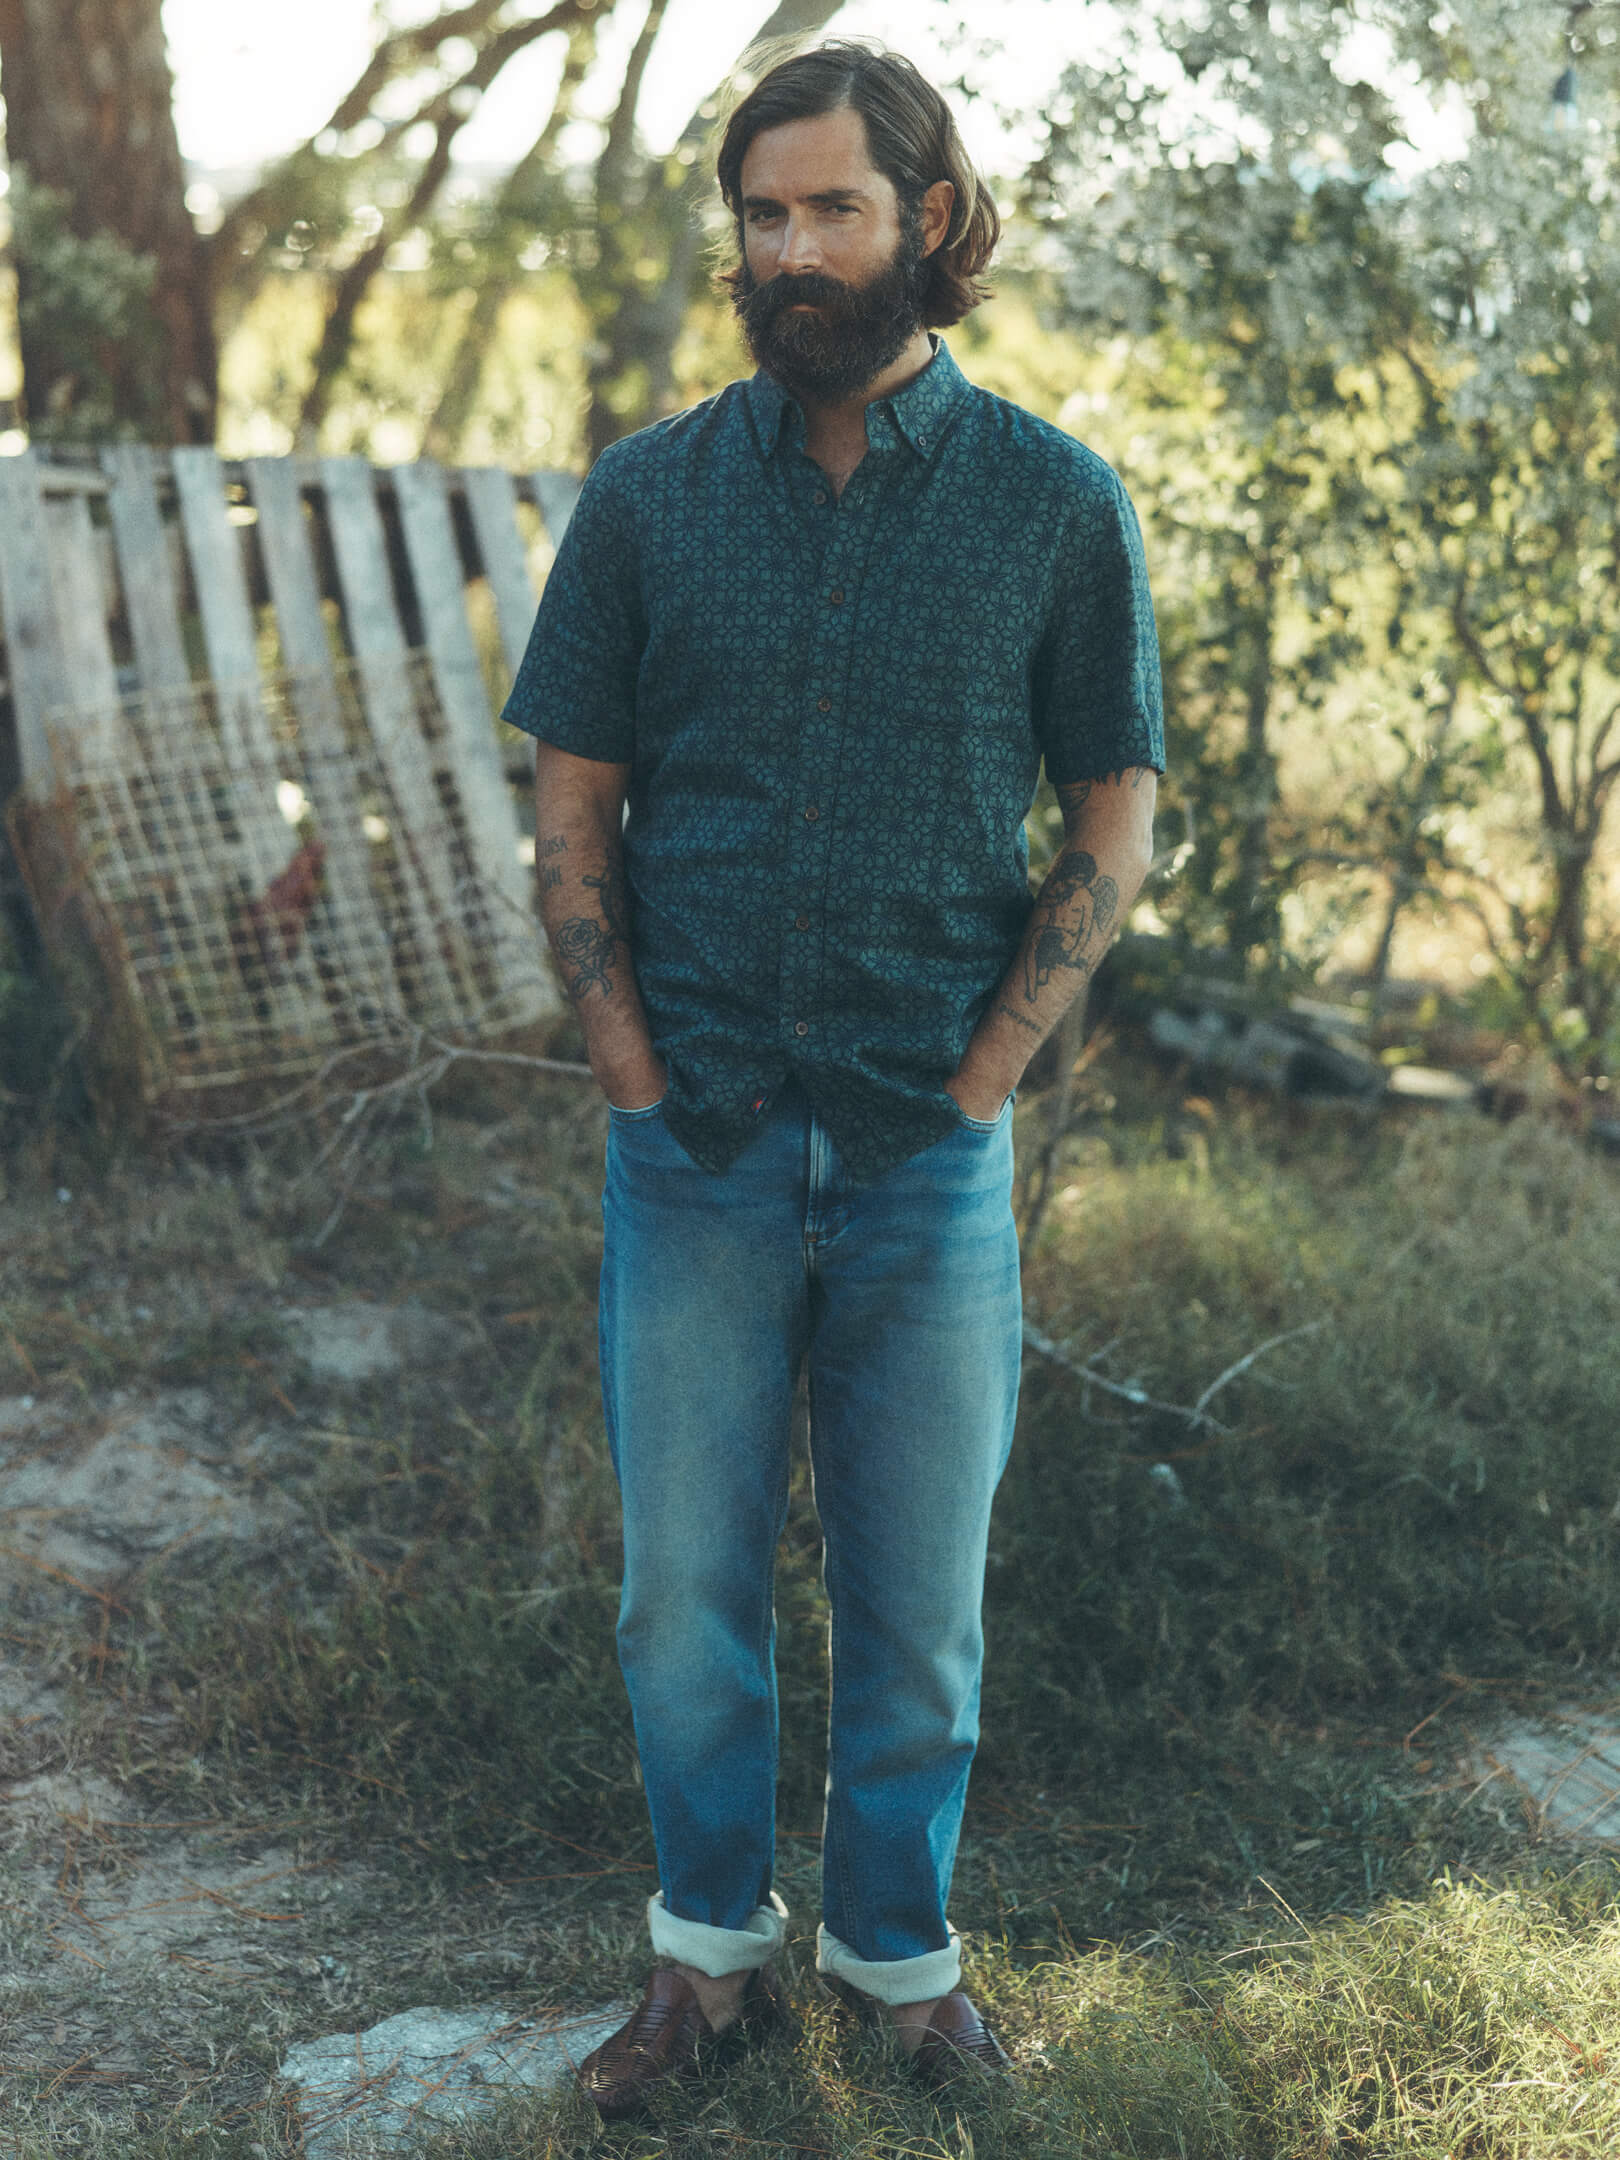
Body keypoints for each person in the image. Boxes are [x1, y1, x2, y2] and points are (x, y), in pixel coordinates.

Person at [502, 39, 1163, 2121]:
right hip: (692, 1142)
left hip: (922, 1155)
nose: (790, 252)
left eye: (832, 210)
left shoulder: (1055, 502)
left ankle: (899, 1962)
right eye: (762, 216)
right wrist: (628, 1071)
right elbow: (572, 807)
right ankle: (706, 1964)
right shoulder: (649, 495)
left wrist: (986, 1078)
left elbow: (1116, 810)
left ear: (928, 219)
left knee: (918, 1609)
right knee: (683, 1601)